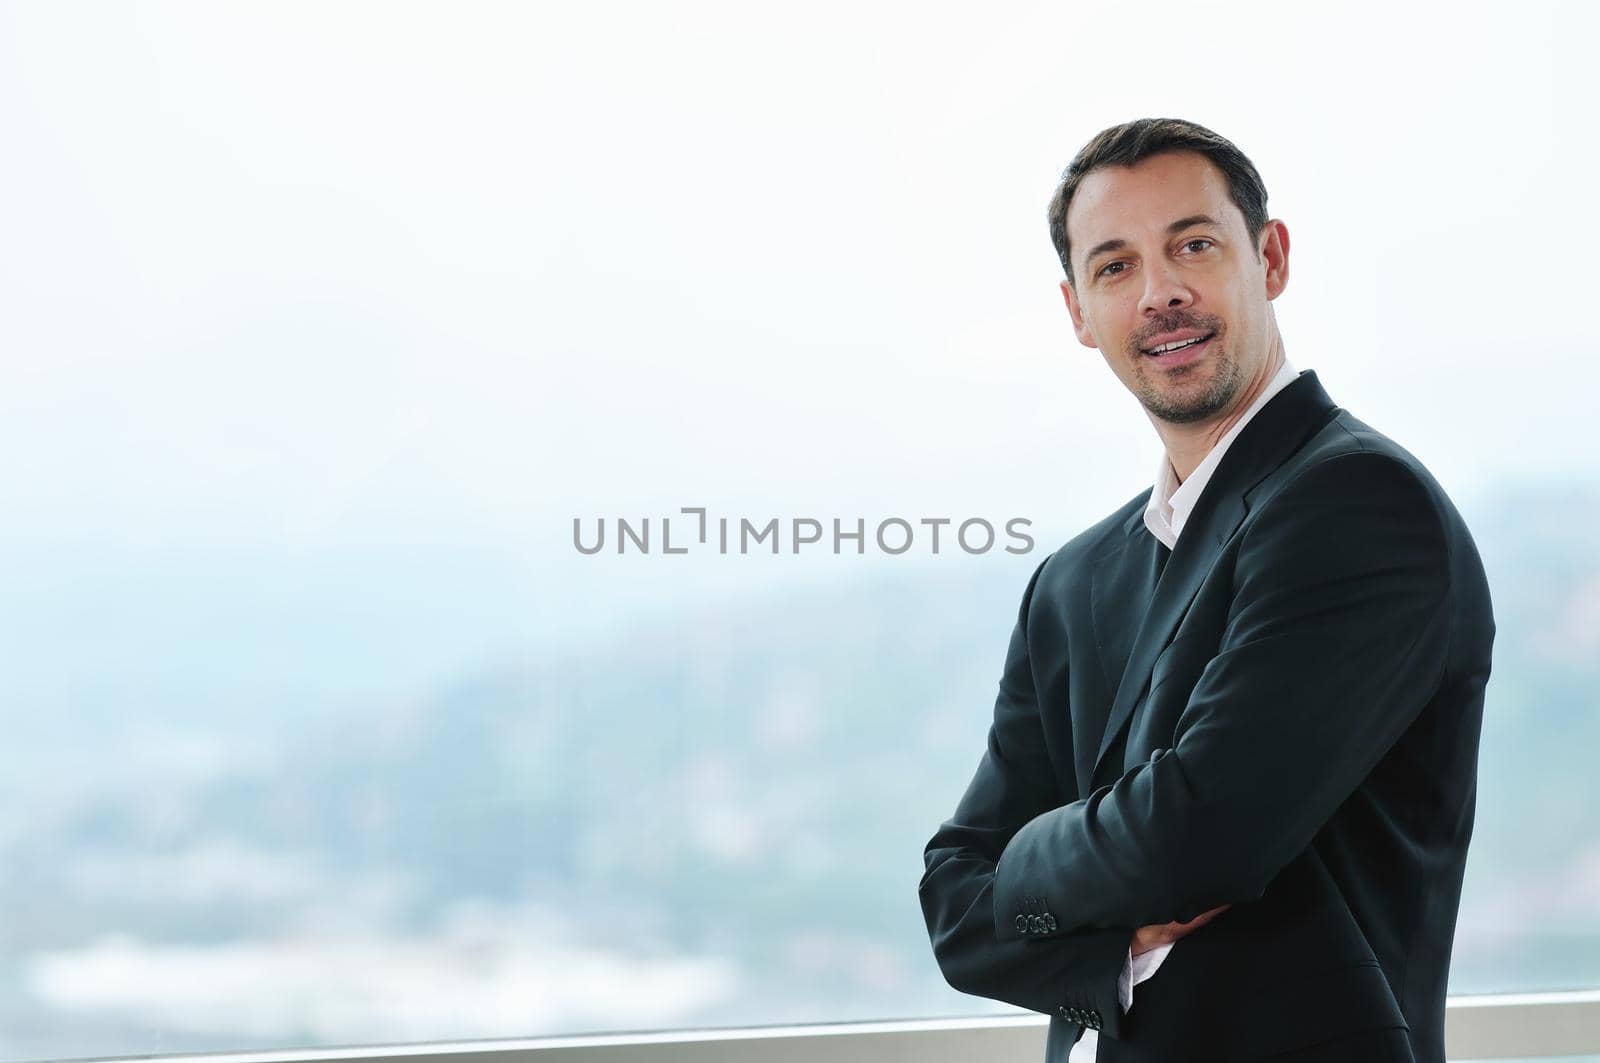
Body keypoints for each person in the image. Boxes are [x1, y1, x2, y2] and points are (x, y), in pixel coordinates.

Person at [917, 118, 1495, 1063]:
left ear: (1269, 257)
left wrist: (1026, 868)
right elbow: (953, 902)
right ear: (1076, 312)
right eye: (1115, 266)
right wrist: (1111, 914)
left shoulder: (1356, 505)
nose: (1161, 293)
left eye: (1193, 244)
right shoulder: (1075, 581)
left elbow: (1200, 834)